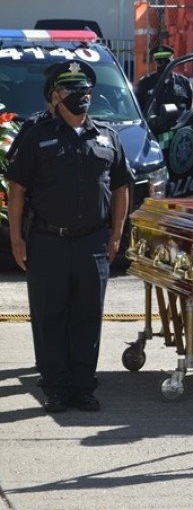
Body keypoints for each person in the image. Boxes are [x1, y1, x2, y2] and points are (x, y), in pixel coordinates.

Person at [6, 60, 134, 413]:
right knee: (50, 316)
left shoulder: (107, 135)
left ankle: (82, 386)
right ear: (54, 97)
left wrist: (117, 232)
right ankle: (55, 385)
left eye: (85, 89)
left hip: (93, 241)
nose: (81, 95)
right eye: (71, 89)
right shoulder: (35, 134)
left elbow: (122, 186)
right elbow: (17, 188)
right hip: (47, 241)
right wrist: (16, 237)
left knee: (87, 315)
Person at [134, 44, 193, 117]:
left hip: (179, 126)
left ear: (172, 62)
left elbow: (188, 107)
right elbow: (139, 109)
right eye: (160, 62)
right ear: (155, 63)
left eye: (167, 62)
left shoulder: (183, 82)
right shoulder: (145, 83)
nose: (164, 65)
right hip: (155, 127)